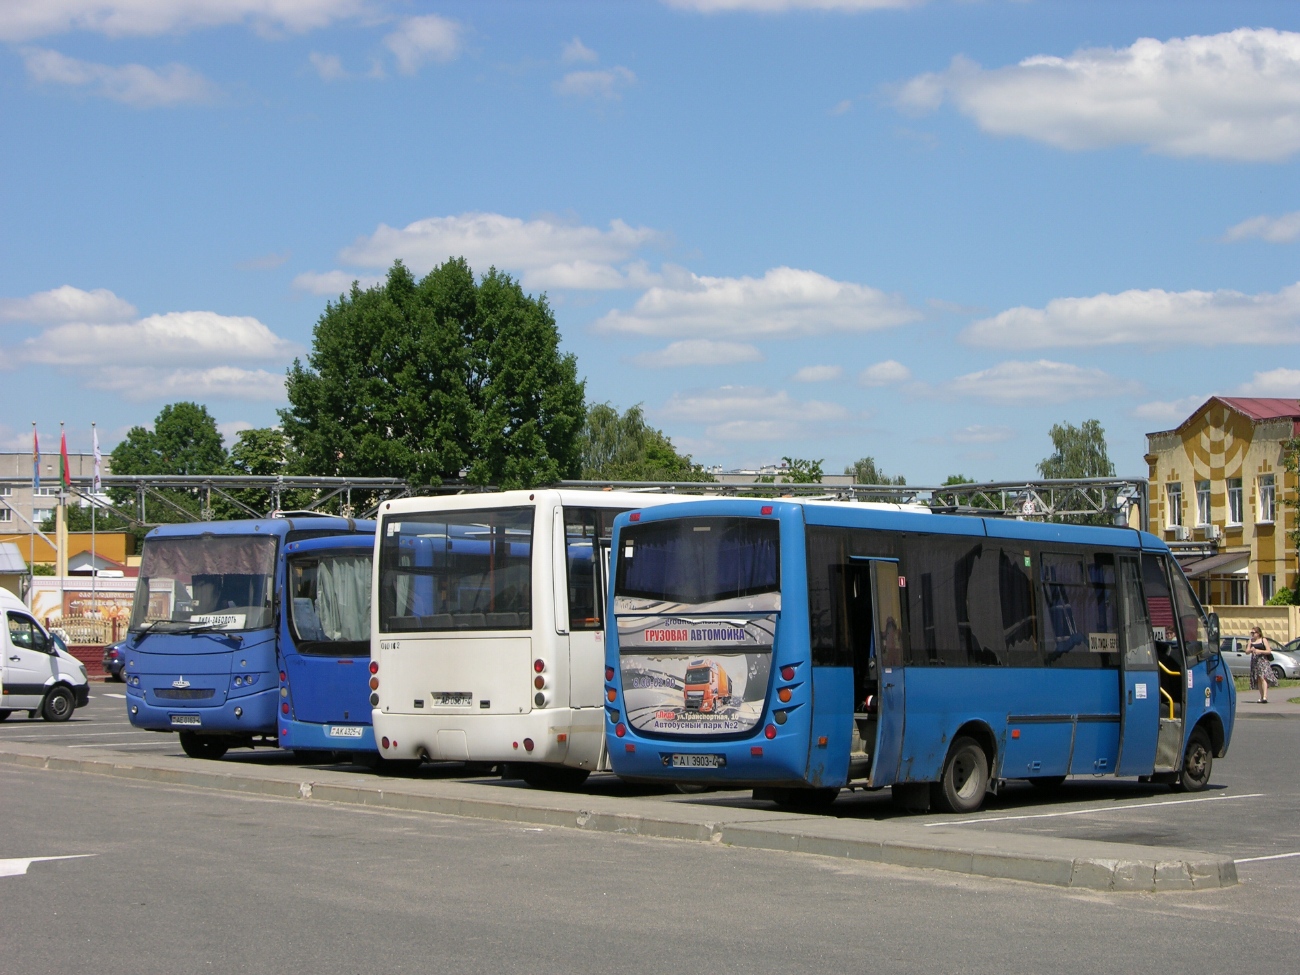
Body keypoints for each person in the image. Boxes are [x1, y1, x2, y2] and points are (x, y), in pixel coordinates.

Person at [1247, 627, 1277, 704]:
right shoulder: (1251, 641)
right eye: (1252, 633)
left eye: (1254, 633)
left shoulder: (1263, 640)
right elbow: (1246, 651)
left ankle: (1265, 696)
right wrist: (1251, 650)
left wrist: (1259, 651)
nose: (1252, 634)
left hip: (1263, 661)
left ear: (1258, 633)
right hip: (1255, 661)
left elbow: (1268, 651)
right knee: (1259, 678)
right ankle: (1261, 696)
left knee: (1263, 677)